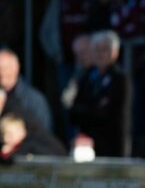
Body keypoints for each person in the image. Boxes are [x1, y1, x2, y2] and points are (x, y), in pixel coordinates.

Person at [70, 30, 129, 158]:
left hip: (111, 145)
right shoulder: (87, 77)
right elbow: (74, 110)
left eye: (105, 50)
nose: (100, 54)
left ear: (114, 52)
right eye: (97, 50)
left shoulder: (119, 78)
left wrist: (86, 111)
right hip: (86, 144)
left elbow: (105, 112)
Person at [0, 48, 53, 133]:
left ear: (16, 68)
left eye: (5, 68)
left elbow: (43, 134)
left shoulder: (34, 100)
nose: (2, 73)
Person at [0, 113, 66, 163]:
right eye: (5, 134)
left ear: (23, 133)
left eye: (11, 134)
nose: (8, 138)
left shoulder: (29, 146)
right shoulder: (4, 148)